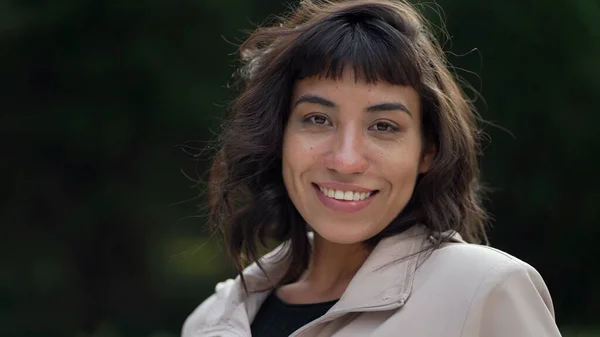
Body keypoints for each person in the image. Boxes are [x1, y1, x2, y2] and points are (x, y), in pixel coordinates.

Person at [182, 0, 562, 336]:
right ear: (278, 134)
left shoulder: (485, 291)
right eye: (317, 119)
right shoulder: (212, 321)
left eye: (383, 126)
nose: (346, 160)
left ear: (427, 150)